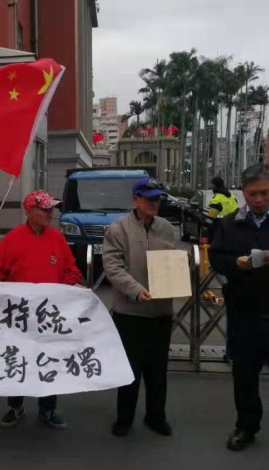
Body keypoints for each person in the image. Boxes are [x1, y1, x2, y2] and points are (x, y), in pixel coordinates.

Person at [209, 164, 269, 464]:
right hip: (244, 317)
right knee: (244, 378)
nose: (257, 199)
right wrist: (236, 264)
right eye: (252, 193)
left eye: (264, 193)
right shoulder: (230, 223)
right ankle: (246, 427)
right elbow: (216, 257)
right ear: (243, 192)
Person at [0, 190, 83, 430]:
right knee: (17, 359)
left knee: (49, 360)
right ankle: (15, 406)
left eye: (51, 208)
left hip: (49, 315)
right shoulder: (12, 239)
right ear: (29, 211)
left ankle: (47, 408)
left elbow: (70, 270)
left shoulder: (57, 238)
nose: (50, 213)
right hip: (19, 316)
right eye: (44, 209)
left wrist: (74, 283)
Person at [102, 177, 175, 437]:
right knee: (129, 371)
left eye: (157, 199)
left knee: (158, 371)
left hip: (161, 312)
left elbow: (172, 259)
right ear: (136, 200)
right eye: (149, 198)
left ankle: (156, 417)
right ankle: (124, 419)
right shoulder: (118, 229)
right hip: (130, 313)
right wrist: (135, 290)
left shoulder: (166, 228)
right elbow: (113, 266)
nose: (154, 203)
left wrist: (183, 263)